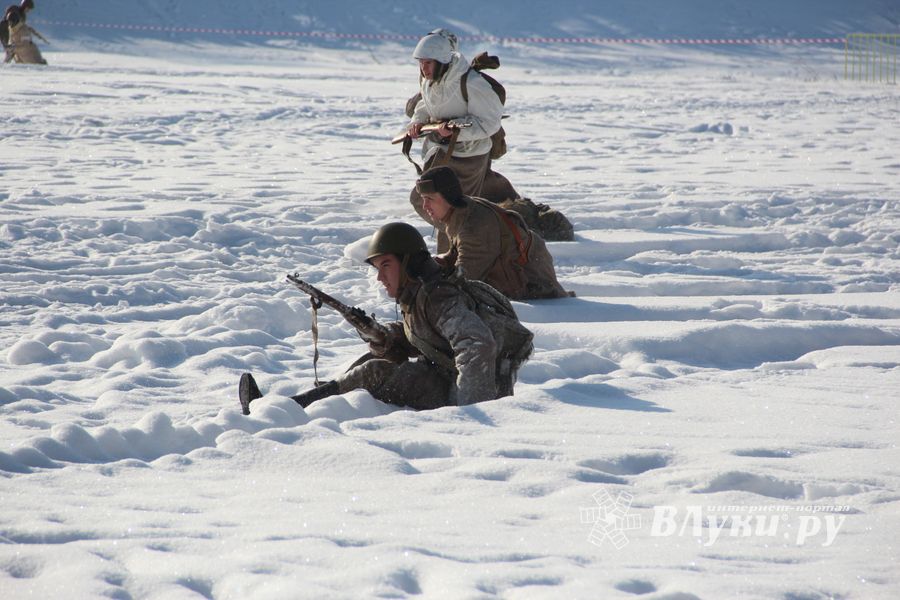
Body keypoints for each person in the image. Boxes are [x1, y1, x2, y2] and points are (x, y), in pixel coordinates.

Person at [239, 222, 534, 412]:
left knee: (372, 372)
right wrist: (384, 337)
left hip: (474, 392)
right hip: (449, 377)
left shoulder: (439, 296)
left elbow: (477, 345)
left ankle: (288, 410)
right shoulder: (420, 294)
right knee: (369, 364)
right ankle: (291, 406)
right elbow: (424, 339)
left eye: (386, 265)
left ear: (408, 262)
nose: (380, 277)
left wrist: (469, 412)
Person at [405, 28, 503, 252]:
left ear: (441, 61)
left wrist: (457, 132)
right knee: (422, 200)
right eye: (421, 63)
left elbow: (490, 123)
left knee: (451, 212)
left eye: (428, 63)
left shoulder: (471, 83)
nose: (423, 68)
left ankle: (455, 265)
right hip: (440, 153)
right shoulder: (431, 80)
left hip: (468, 158)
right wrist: (417, 122)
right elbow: (425, 104)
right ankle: (469, 241)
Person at [416, 166, 573, 300]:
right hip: (516, 287)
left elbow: (464, 277)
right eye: (423, 199)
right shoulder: (462, 212)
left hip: (537, 294)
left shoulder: (475, 224)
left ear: (447, 196)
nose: (424, 206)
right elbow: (458, 256)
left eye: (429, 199)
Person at [2, 0, 47, 65]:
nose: (28, 11)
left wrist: (12, 47)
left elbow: (25, 44)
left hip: (29, 54)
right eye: (28, 8)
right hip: (17, 47)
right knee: (12, 52)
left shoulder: (22, 28)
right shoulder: (13, 25)